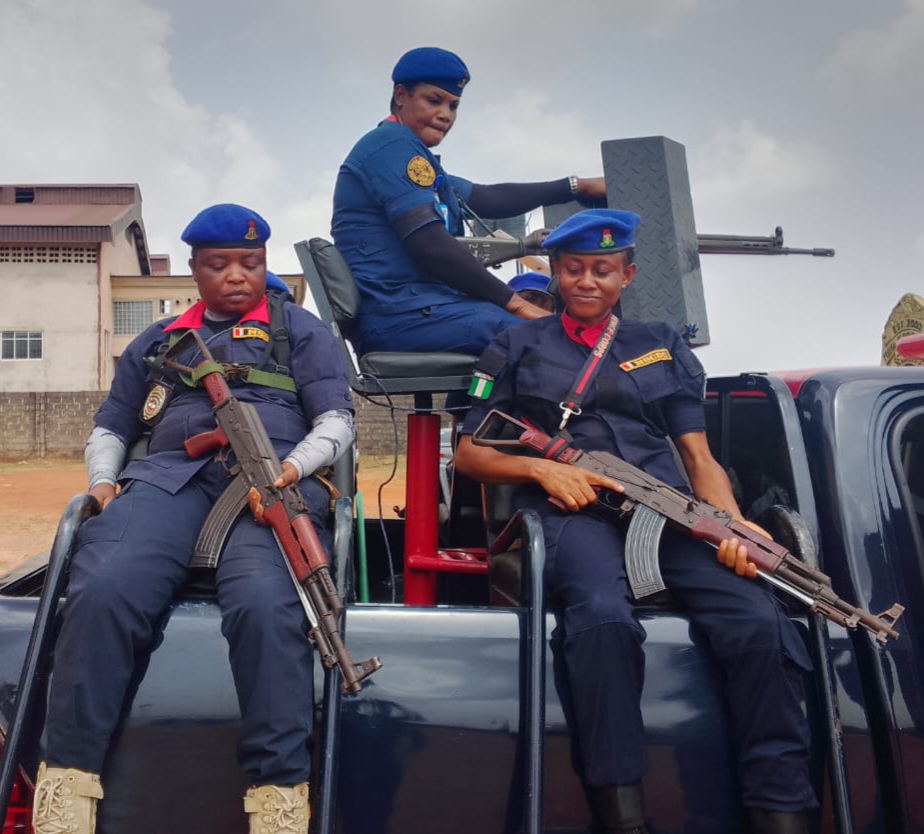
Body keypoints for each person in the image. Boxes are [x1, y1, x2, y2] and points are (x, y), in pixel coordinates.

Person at [454, 209, 816, 834]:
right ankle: (621, 815)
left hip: (668, 513)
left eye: (602, 270)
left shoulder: (660, 341)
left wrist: (732, 527)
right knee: (601, 619)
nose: (586, 281)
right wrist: (542, 473)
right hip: (575, 513)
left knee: (759, 621)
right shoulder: (516, 344)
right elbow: (469, 452)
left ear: (628, 274)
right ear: (557, 271)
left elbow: (697, 455)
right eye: (572, 269)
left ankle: (780, 810)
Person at [31, 204, 355, 834]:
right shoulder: (159, 340)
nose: (237, 275)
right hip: (166, 479)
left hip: (270, 485)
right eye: (219, 264)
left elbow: (336, 421)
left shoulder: (300, 330)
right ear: (193, 268)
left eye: (251, 263)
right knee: (101, 587)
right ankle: (65, 784)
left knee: (267, 605)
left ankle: (279, 795)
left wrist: (291, 470)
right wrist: (102, 484)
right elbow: (112, 426)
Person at [331, 45, 607, 357]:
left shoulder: (414, 157)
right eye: (434, 100)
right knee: (553, 340)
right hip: (399, 314)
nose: (445, 115)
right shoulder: (391, 146)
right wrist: (516, 303)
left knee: (529, 334)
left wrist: (576, 186)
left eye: (453, 106)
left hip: (422, 308)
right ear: (401, 96)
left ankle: (478, 407)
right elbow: (429, 243)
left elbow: (488, 198)